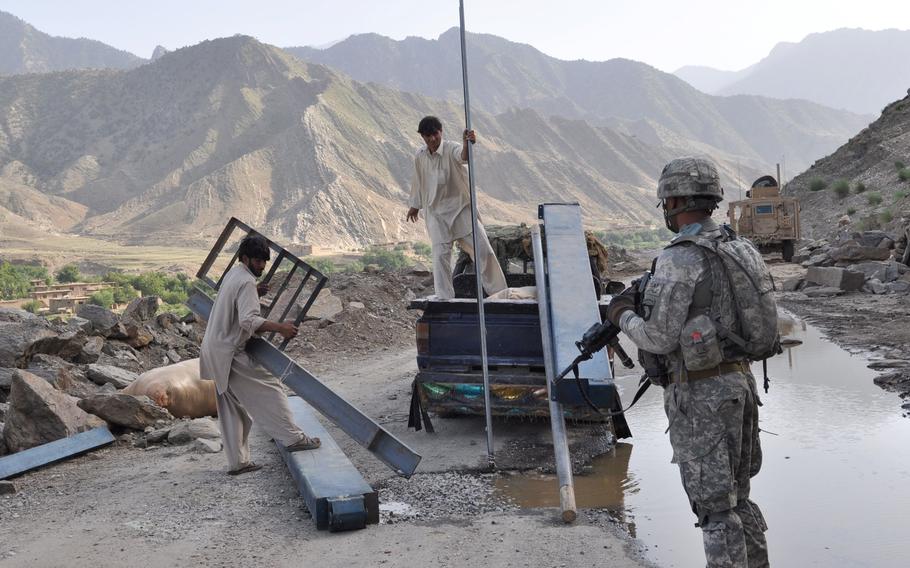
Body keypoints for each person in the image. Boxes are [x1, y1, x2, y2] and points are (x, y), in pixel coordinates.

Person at [606, 157, 772, 567]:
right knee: (739, 499)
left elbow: (658, 338)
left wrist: (621, 313)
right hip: (740, 387)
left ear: (675, 200)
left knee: (715, 509)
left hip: (702, 398)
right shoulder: (740, 247)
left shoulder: (681, 258)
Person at [199, 234, 321, 475]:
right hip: (230, 352)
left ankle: (238, 463)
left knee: (232, 408)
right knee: (270, 387)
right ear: (245, 257)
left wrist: (254, 292)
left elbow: (237, 302)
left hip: (215, 348)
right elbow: (248, 320)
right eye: (257, 261)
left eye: (264, 262)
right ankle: (293, 438)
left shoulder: (236, 274)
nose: (262, 266)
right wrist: (280, 327)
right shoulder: (244, 282)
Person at [406, 115, 507, 299]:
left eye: (435, 134)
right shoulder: (420, 156)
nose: (432, 139)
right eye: (427, 136)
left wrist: (467, 143)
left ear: (441, 132)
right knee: (440, 257)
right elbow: (418, 181)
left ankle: (500, 294)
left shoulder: (451, 148)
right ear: (422, 137)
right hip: (436, 215)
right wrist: (414, 205)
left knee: (483, 252)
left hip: (461, 210)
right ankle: (444, 297)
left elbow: (463, 157)